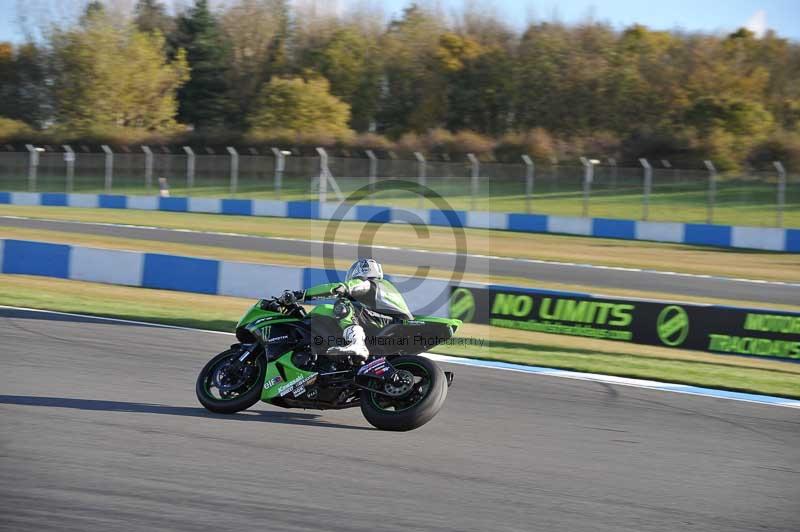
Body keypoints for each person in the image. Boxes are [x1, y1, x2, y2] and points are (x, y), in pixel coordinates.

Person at [298, 258, 413, 362]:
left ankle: (357, 344)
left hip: (393, 324)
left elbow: (340, 288)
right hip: (392, 323)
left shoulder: (368, 283)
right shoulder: (383, 288)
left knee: (344, 305)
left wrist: (302, 295)